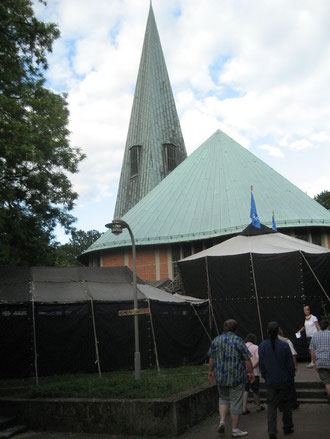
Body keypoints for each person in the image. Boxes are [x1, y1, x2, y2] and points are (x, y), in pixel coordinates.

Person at [208, 319, 254, 438]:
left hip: (220, 376)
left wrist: (210, 371)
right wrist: (251, 372)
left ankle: (222, 421)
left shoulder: (216, 340)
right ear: (235, 329)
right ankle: (235, 429)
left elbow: (211, 358)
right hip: (236, 377)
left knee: (223, 398)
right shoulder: (238, 340)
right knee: (236, 402)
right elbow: (247, 359)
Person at [259, 321, 296, 439]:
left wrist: (265, 376)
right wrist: (290, 376)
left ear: (267, 332)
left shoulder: (263, 346)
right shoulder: (284, 345)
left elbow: (262, 365)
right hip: (284, 380)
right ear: (278, 331)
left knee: (271, 406)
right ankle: (287, 427)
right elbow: (290, 364)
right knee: (286, 405)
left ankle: (272, 431)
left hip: (271, 380)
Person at [242, 333, 264, 414]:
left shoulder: (241, 347)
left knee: (245, 390)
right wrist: (252, 367)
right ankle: (258, 406)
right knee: (255, 390)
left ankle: (244, 408)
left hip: (244, 372)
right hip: (254, 372)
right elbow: (258, 359)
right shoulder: (256, 347)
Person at [309, 319, 330, 404]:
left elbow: (312, 350)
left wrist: (314, 363)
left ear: (320, 326)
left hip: (320, 361)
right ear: (328, 326)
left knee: (327, 382)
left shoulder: (315, 336)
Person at [278, 327, 299, 409]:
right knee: (290, 386)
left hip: (276, 369)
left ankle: (282, 405)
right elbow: (293, 354)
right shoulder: (286, 341)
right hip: (287, 367)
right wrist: (295, 365)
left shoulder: (267, 343)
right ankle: (292, 404)